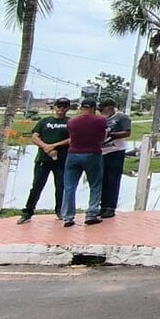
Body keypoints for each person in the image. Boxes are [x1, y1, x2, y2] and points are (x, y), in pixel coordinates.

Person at [17, 97, 71, 224]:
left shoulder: (70, 122)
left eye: (64, 106)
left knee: (61, 186)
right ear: (55, 107)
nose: (61, 109)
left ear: (68, 108)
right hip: (43, 159)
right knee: (37, 186)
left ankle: (60, 210)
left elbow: (72, 139)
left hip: (61, 159)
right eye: (59, 106)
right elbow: (35, 136)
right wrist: (46, 146)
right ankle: (27, 212)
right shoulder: (45, 121)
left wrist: (54, 145)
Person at [61, 97, 108, 227]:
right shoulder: (100, 120)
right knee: (95, 184)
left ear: (82, 108)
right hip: (93, 153)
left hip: (73, 154)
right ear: (94, 108)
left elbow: (71, 137)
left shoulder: (72, 122)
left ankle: (68, 217)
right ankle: (91, 213)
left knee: (69, 186)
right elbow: (103, 136)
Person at [98, 98, 131, 219]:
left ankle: (110, 207)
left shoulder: (121, 117)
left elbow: (127, 132)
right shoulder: (101, 119)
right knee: (102, 179)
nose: (101, 111)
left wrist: (110, 134)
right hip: (101, 152)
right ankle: (102, 206)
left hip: (115, 151)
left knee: (112, 179)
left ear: (110, 107)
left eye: (103, 108)